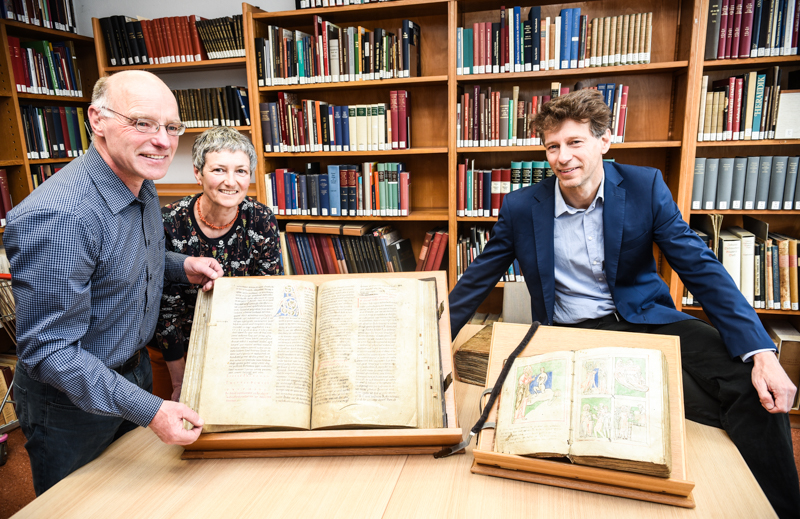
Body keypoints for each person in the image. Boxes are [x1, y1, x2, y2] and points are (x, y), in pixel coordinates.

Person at [448, 89, 800, 518]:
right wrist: (432, 350)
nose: (562, 157)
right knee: (688, 403)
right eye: (552, 146)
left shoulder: (644, 186)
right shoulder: (523, 207)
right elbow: (475, 280)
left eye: (575, 143)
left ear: (604, 141)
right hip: (570, 335)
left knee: (751, 385)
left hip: (646, 319)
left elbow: (700, 267)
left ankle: (781, 509)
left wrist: (761, 350)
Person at [4, 70, 223, 496]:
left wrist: (183, 266)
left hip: (132, 373)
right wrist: (150, 409)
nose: (162, 140)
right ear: (97, 120)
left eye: (171, 126)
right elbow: (49, 351)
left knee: (131, 500)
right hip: (69, 405)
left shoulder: (141, 180)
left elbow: (126, 258)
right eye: (142, 122)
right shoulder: (62, 217)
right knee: (78, 505)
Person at [148, 127, 283, 401]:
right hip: (172, 351)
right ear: (198, 173)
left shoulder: (261, 219)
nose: (230, 182)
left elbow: (267, 292)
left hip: (236, 349)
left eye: (241, 171)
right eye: (219, 170)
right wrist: (178, 376)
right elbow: (165, 307)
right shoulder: (167, 222)